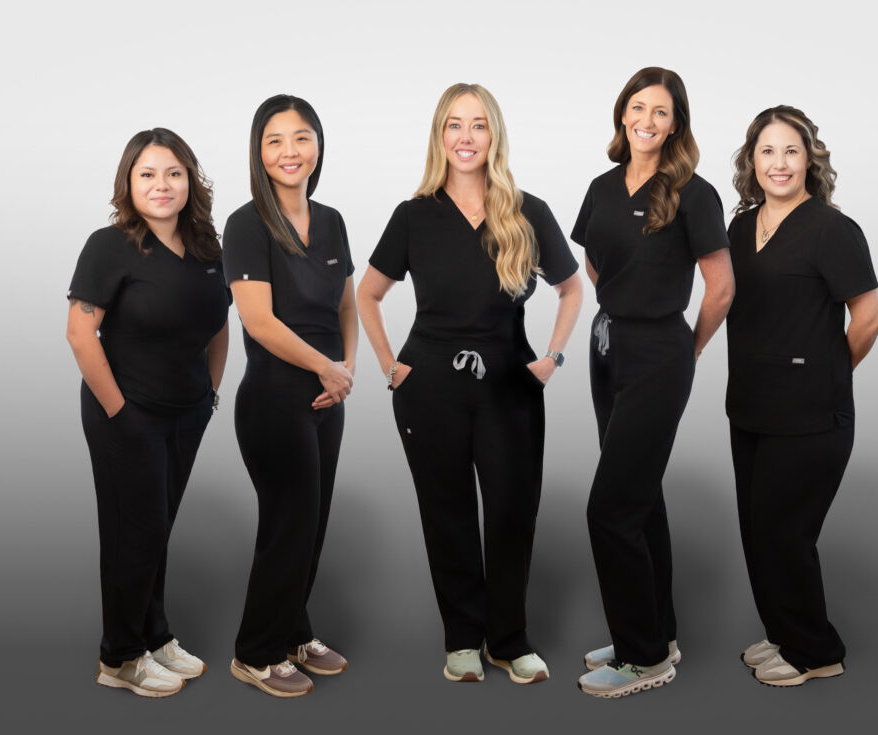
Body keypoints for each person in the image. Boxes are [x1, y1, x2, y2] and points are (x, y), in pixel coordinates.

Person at [358, 82, 583, 685]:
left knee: (512, 511)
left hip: (510, 382)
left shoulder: (527, 210)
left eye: (478, 125)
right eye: (454, 125)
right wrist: (389, 365)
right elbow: (368, 293)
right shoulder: (414, 214)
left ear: (494, 135)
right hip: (428, 383)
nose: (466, 137)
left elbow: (571, 288)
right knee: (447, 512)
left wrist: (553, 356)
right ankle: (462, 638)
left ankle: (508, 641)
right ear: (439, 136)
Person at [572, 67, 735, 698]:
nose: (647, 120)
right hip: (606, 347)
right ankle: (656, 631)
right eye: (637, 107)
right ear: (622, 114)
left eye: (660, 111)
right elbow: (593, 256)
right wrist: (619, 305)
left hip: (661, 352)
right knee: (640, 496)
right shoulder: (601, 186)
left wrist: (683, 349)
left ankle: (643, 660)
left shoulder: (695, 193)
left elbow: (720, 289)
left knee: (609, 508)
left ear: (676, 123)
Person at [66, 128, 230, 698]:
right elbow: (80, 333)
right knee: (132, 534)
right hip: (126, 414)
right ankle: (119, 658)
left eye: (173, 173)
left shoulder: (207, 247)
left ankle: (155, 636)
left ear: (190, 181)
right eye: (148, 174)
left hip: (187, 413)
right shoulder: (109, 246)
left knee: (157, 529)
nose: (161, 185)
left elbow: (218, 325)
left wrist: (209, 396)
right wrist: (120, 413)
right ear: (128, 184)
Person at [726, 105, 878, 687]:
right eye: (767, 151)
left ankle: (816, 652)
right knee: (756, 529)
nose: (779, 163)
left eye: (791, 150)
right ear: (752, 161)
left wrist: (829, 373)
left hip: (812, 413)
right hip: (751, 406)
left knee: (785, 534)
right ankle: (785, 633)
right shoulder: (741, 228)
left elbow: (869, 315)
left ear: (810, 159)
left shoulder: (831, 229)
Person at [224, 95, 357, 698]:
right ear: (259, 151)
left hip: (330, 397)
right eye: (275, 140)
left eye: (301, 138)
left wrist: (346, 369)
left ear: (319, 147)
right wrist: (328, 368)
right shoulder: (247, 224)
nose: (289, 152)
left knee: (316, 519)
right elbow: (259, 322)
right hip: (275, 398)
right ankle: (255, 652)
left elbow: (348, 303)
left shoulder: (330, 220)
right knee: (290, 522)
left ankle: (294, 632)